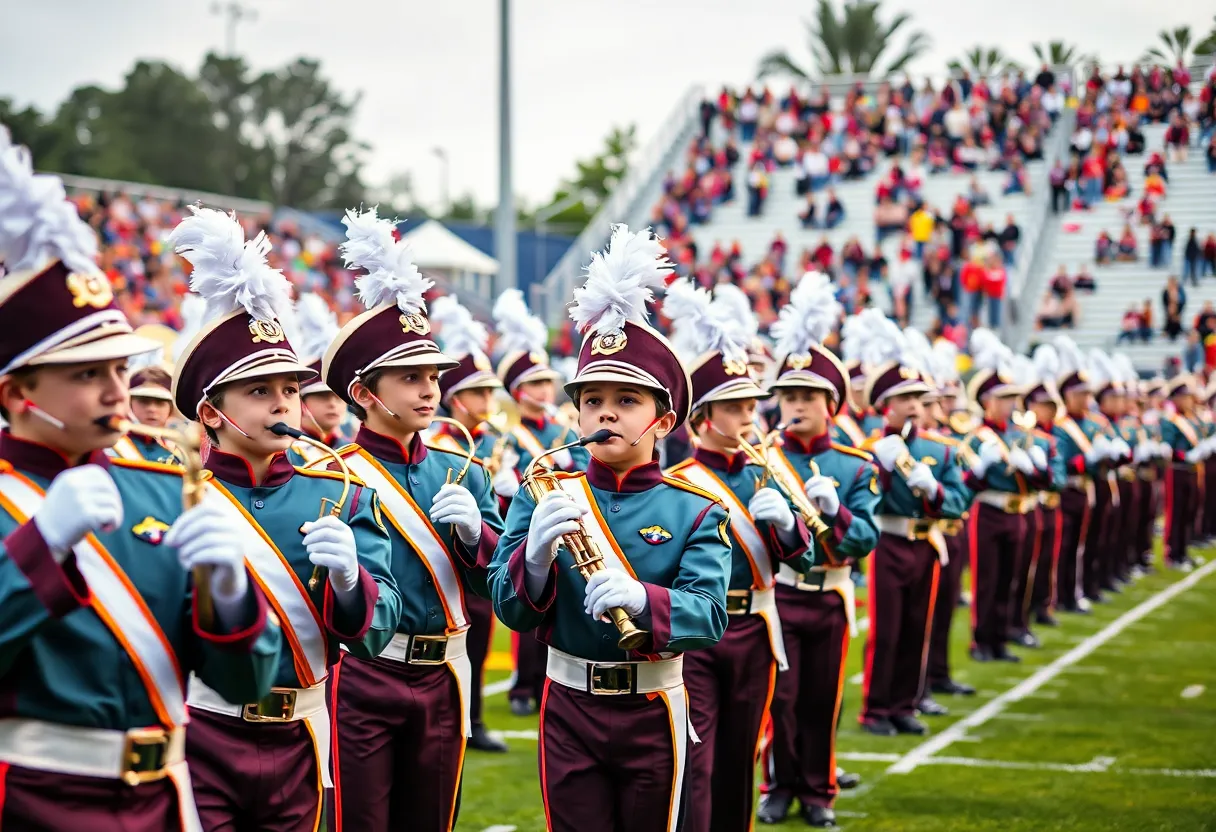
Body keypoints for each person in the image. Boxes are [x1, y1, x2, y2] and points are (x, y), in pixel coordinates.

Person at [0, 132, 282, 832]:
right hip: (31, 800)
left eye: (119, 370)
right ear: (15, 394)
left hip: (164, 798)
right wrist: (40, 546)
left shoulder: (161, 487)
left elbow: (245, 684)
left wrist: (228, 597)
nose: (114, 389)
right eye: (85, 374)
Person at [488, 225, 732, 832]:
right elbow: (508, 608)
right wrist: (535, 563)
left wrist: (644, 603)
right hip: (568, 705)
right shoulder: (546, 489)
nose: (605, 412)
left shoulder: (696, 507)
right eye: (592, 399)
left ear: (665, 419)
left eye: (626, 400)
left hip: (652, 705)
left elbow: (709, 614)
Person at [168, 207, 402, 832]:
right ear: (212, 412)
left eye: (291, 390)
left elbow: (381, 632)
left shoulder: (343, 493)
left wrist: (355, 585)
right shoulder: (174, 498)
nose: (283, 403)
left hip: (303, 733)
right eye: (261, 391)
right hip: (202, 734)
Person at [320, 210, 505, 831]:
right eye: (410, 379)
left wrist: (478, 536)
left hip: (446, 671)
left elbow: (497, 586)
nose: (430, 390)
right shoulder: (332, 474)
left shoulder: (465, 470)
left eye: (432, 377)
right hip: (365, 672)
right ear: (365, 393)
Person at [662, 280, 811, 832]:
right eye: (735, 406)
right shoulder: (677, 482)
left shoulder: (768, 472)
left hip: (754, 625)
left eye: (751, 403)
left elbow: (805, 552)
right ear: (702, 418)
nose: (750, 414)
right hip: (700, 633)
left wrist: (788, 524)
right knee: (695, 759)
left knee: (740, 757)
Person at [757, 281, 879, 829]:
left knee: (821, 700)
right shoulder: (762, 460)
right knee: (778, 700)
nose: (797, 406)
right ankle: (778, 785)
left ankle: (818, 791)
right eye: (788, 397)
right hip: (780, 593)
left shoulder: (856, 466)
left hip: (829, 596)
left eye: (808, 397)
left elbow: (864, 540)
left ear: (831, 404)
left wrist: (840, 513)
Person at [858, 312, 970, 733]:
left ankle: (904, 703)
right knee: (886, 630)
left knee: (916, 626)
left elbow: (958, 503)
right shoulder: (871, 450)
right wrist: (882, 470)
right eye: (904, 399)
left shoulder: (940, 452)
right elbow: (864, 503)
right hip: (888, 542)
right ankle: (875, 708)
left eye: (918, 398)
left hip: (927, 543)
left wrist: (934, 490)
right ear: (886, 405)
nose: (913, 406)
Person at [491, 288, 584, 717]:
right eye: (534, 383)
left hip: (579, 526)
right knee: (528, 607)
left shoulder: (569, 431)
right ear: (517, 390)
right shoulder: (508, 436)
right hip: (531, 530)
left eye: (547, 381)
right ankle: (523, 685)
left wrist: (573, 459)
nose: (545, 389)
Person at [428, 294, 514, 755]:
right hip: (445, 559)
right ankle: (466, 717)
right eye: (479, 392)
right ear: (457, 399)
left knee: (479, 642)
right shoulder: (439, 440)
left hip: (480, 551)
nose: (487, 400)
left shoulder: (492, 439)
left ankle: (473, 717)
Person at [962, 332, 1051, 661]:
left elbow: (1044, 481)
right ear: (987, 400)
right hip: (988, 512)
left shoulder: (1020, 437)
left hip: (1018, 514)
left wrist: (1035, 468)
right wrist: (982, 468)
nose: (1010, 403)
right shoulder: (976, 438)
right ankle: (980, 641)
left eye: (1013, 397)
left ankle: (999, 640)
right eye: (1003, 398)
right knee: (986, 580)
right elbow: (966, 482)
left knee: (1008, 579)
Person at [1048, 338, 1109, 614]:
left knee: (1079, 545)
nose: (1086, 399)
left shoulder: (1091, 423)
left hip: (1085, 490)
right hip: (1067, 491)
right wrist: (1087, 460)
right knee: (1065, 547)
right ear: (1068, 395)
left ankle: (1074, 592)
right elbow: (1064, 461)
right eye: (1080, 394)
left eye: (1087, 394)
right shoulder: (1062, 426)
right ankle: (1061, 595)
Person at [287, 294, 346, 466]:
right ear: (301, 402)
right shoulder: (286, 454)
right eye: (322, 396)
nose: (333, 404)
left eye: (338, 396)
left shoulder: (353, 448)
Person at [1161, 376, 1209, 570]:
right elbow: (1169, 448)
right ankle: (1173, 554)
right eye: (1185, 397)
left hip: (1193, 471)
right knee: (1177, 512)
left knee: (1190, 511)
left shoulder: (1192, 419)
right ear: (1175, 399)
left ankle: (1184, 551)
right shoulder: (1171, 421)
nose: (1189, 400)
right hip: (1178, 471)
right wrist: (1186, 455)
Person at [108, 361, 181, 464]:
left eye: (160, 402)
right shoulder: (112, 446)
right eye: (143, 401)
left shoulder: (182, 447)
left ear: (171, 406)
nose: (152, 409)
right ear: (129, 403)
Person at [1162, 275, 1187, 340]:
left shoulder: (1180, 290)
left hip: (1178, 309)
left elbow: (1183, 300)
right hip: (1169, 310)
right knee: (1170, 318)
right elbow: (1164, 301)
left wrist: (1178, 309)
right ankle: (1168, 332)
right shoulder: (1166, 291)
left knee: (1175, 319)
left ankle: (1176, 331)